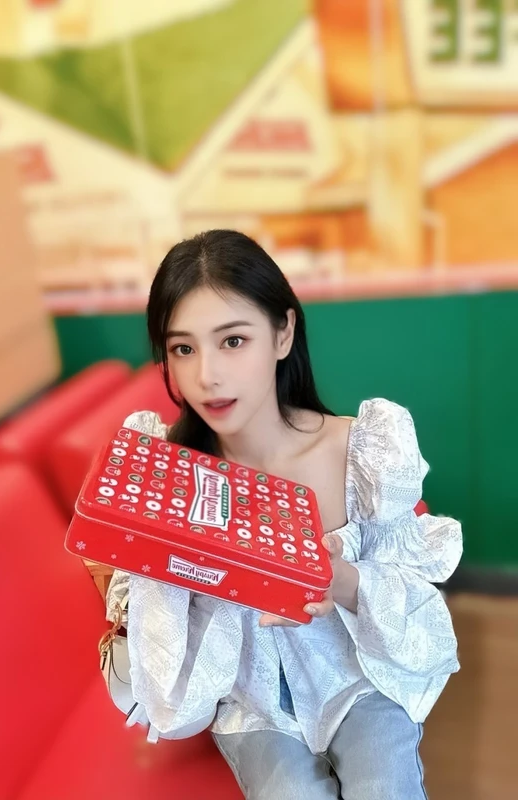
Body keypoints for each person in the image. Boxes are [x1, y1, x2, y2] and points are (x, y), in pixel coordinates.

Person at [106, 229, 462, 799]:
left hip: (357, 680)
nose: (207, 376)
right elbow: (158, 643)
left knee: (384, 787)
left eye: (233, 340)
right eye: (183, 349)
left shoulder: (362, 450)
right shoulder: (170, 473)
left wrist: (339, 579)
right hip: (253, 705)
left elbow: (415, 603)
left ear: (283, 332)